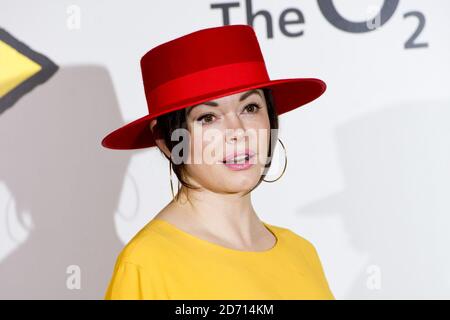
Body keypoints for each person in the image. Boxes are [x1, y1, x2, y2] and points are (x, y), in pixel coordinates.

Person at [101, 24, 335, 300]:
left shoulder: (301, 253)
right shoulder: (147, 264)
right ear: (166, 140)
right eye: (208, 117)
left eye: (250, 108)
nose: (238, 132)